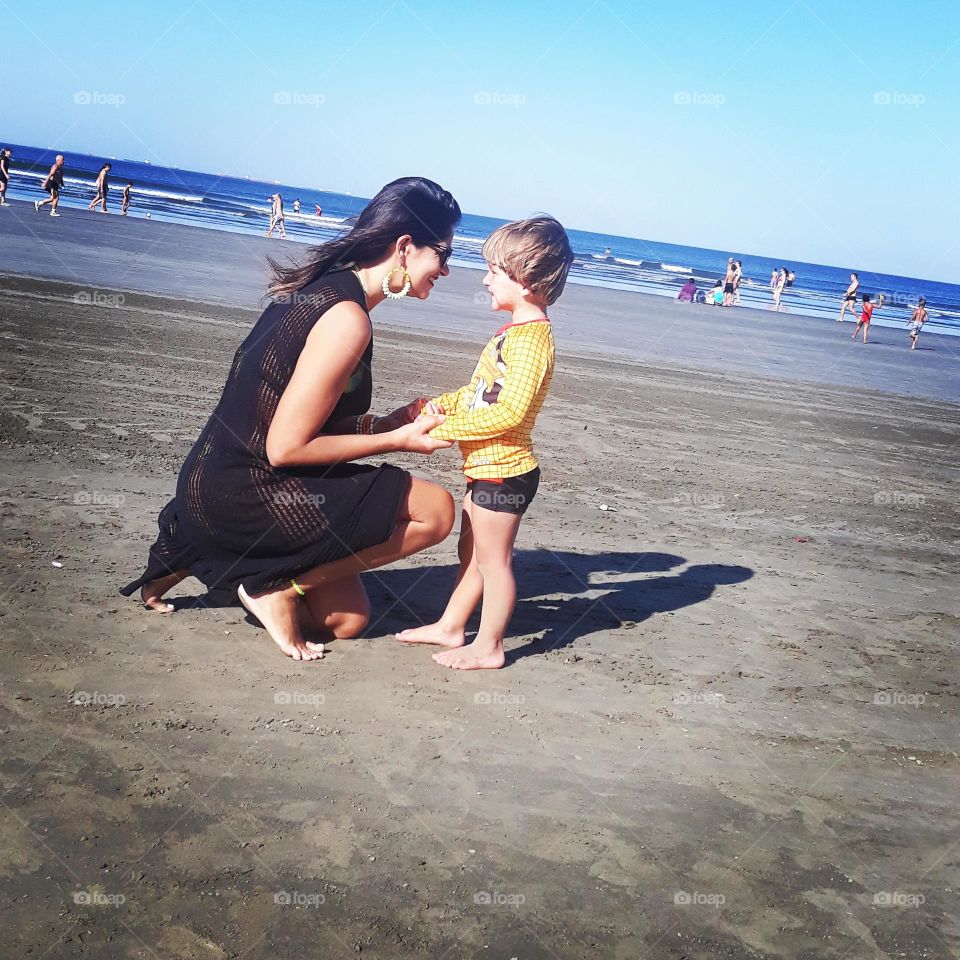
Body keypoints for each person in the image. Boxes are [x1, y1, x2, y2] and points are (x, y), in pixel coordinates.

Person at [120, 177, 462, 661]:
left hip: (210, 479)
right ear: (405, 248)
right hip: (250, 490)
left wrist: (385, 423)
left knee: (346, 621)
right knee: (436, 509)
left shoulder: (323, 291)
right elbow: (285, 447)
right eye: (443, 254)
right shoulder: (346, 318)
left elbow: (295, 423)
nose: (446, 270)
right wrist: (400, 441)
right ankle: (272, 586)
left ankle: (219, 557)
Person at [396, 216, 574, 670]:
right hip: (486, 469)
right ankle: (452, 626)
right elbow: (480, 393)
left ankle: (490, 645)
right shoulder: (514, 333)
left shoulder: (532, 341)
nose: (484, 279)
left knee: (494, 563)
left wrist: (444, 431)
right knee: (472, 555)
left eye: (495, 271)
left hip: (505, 470)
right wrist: (439, 407)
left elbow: (509, 413)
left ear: (528, 280)